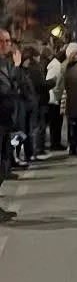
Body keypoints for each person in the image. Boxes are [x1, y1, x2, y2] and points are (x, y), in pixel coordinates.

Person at [0, 29, 22, 219]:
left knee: (4, 161)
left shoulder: (5, 63)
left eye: (8, 41)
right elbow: (6, 89)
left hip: (6, 120)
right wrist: (16, 68)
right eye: (4, 41)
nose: (8, 44)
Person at [43, 46, 65, 155]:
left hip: (54, 98)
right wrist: (56, 94)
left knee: (56, 123)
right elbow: (52, 82)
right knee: (55, 122)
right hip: (54, 99)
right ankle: (55, 143)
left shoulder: (55, 65)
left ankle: (56, 142)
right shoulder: (57, 66)